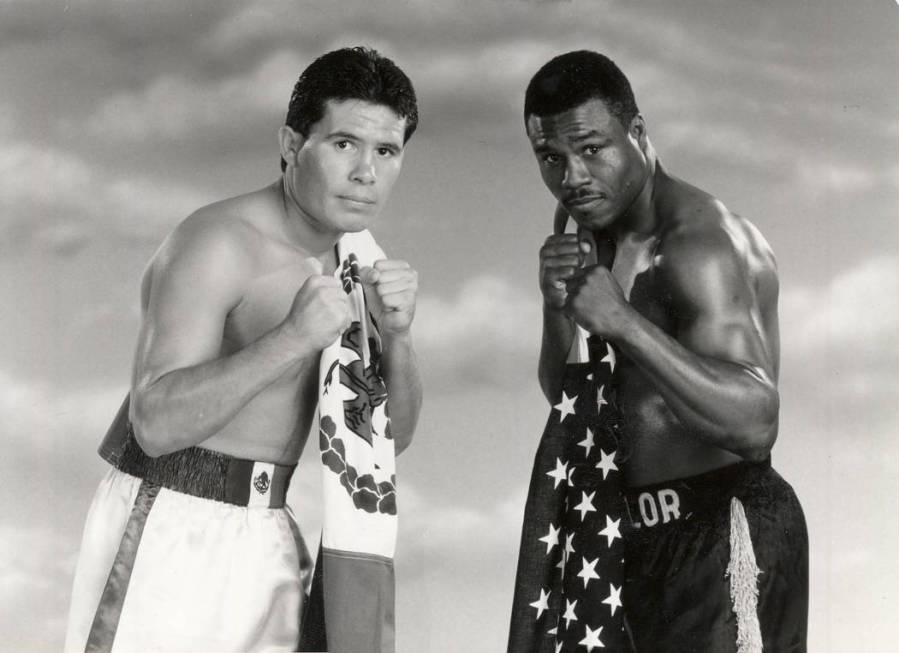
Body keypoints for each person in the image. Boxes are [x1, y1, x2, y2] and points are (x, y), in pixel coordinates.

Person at [64, 46, 422, 653]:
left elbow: (389, 439)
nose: (366, 171)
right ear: (290, 144)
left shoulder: (361, 259)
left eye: (385, 151)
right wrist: (293, 339)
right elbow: (154, 423)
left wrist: (401, 336)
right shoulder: (216, 242)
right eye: (343, 144)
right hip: (170, 518)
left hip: (269, 531)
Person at [509, 50, 808, 652]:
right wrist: (556, 307)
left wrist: (622, 321)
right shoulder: (591, 225)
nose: (572, 177)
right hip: (626, 539)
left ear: (637, 134)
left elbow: (756, 423)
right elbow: (577, 403)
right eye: (551, 157)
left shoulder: (699, 243)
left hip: (721, 527)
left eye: (591, 149)